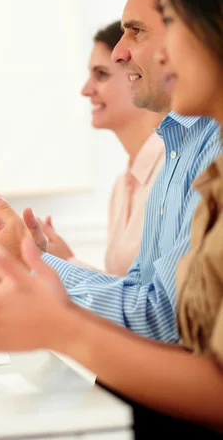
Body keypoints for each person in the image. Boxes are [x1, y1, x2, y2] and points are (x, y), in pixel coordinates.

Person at [0, 0, 223, 435]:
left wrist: (43, 280)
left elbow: (165, 323)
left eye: (161, 25)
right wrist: (41, 272)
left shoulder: (202, 151)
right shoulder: (179, 150)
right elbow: (159, 304)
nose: (126, 54)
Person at [44, 20, 164, 276]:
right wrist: (60, 262)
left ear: (136, 75)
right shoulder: (122, 187)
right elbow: (128, 292)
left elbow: (157, 305)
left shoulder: (174, 170)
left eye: (101, 74)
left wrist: (66, 264)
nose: (86, 90)